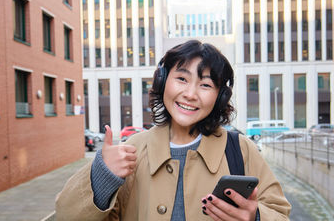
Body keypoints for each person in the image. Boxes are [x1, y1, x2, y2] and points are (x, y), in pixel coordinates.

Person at [56, 40, 291, 220]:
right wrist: (101, 175)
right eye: (181, 78)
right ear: (163, 81)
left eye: (206, 84)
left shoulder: (241, 149)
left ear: (219, 97)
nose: (190, 93)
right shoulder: (132, 150)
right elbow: (66, 214)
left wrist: (256, 216)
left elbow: (280, 212)